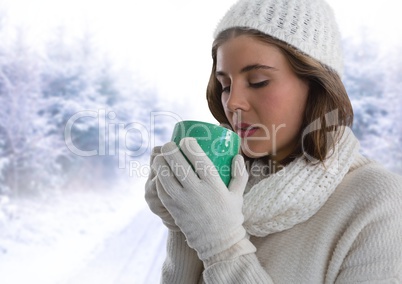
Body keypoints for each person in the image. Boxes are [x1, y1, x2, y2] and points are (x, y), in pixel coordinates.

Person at [145, 0, 402, 282]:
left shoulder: (378, 203)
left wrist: (222, 246)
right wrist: (183, 224)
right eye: (225, 85)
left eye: (257, 81)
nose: (233, 102)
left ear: (316, 85)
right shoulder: (226, 181)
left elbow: (219, 245)